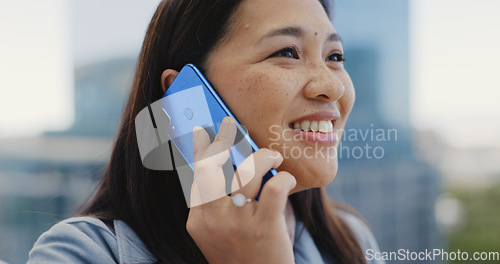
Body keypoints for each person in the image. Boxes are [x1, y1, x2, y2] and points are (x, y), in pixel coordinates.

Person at [28, 0, 385, 263]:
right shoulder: (78, 253)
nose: (332, 87)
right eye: (287, 51)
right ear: (184, 98)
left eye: (334, 56)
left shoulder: (351, 241)